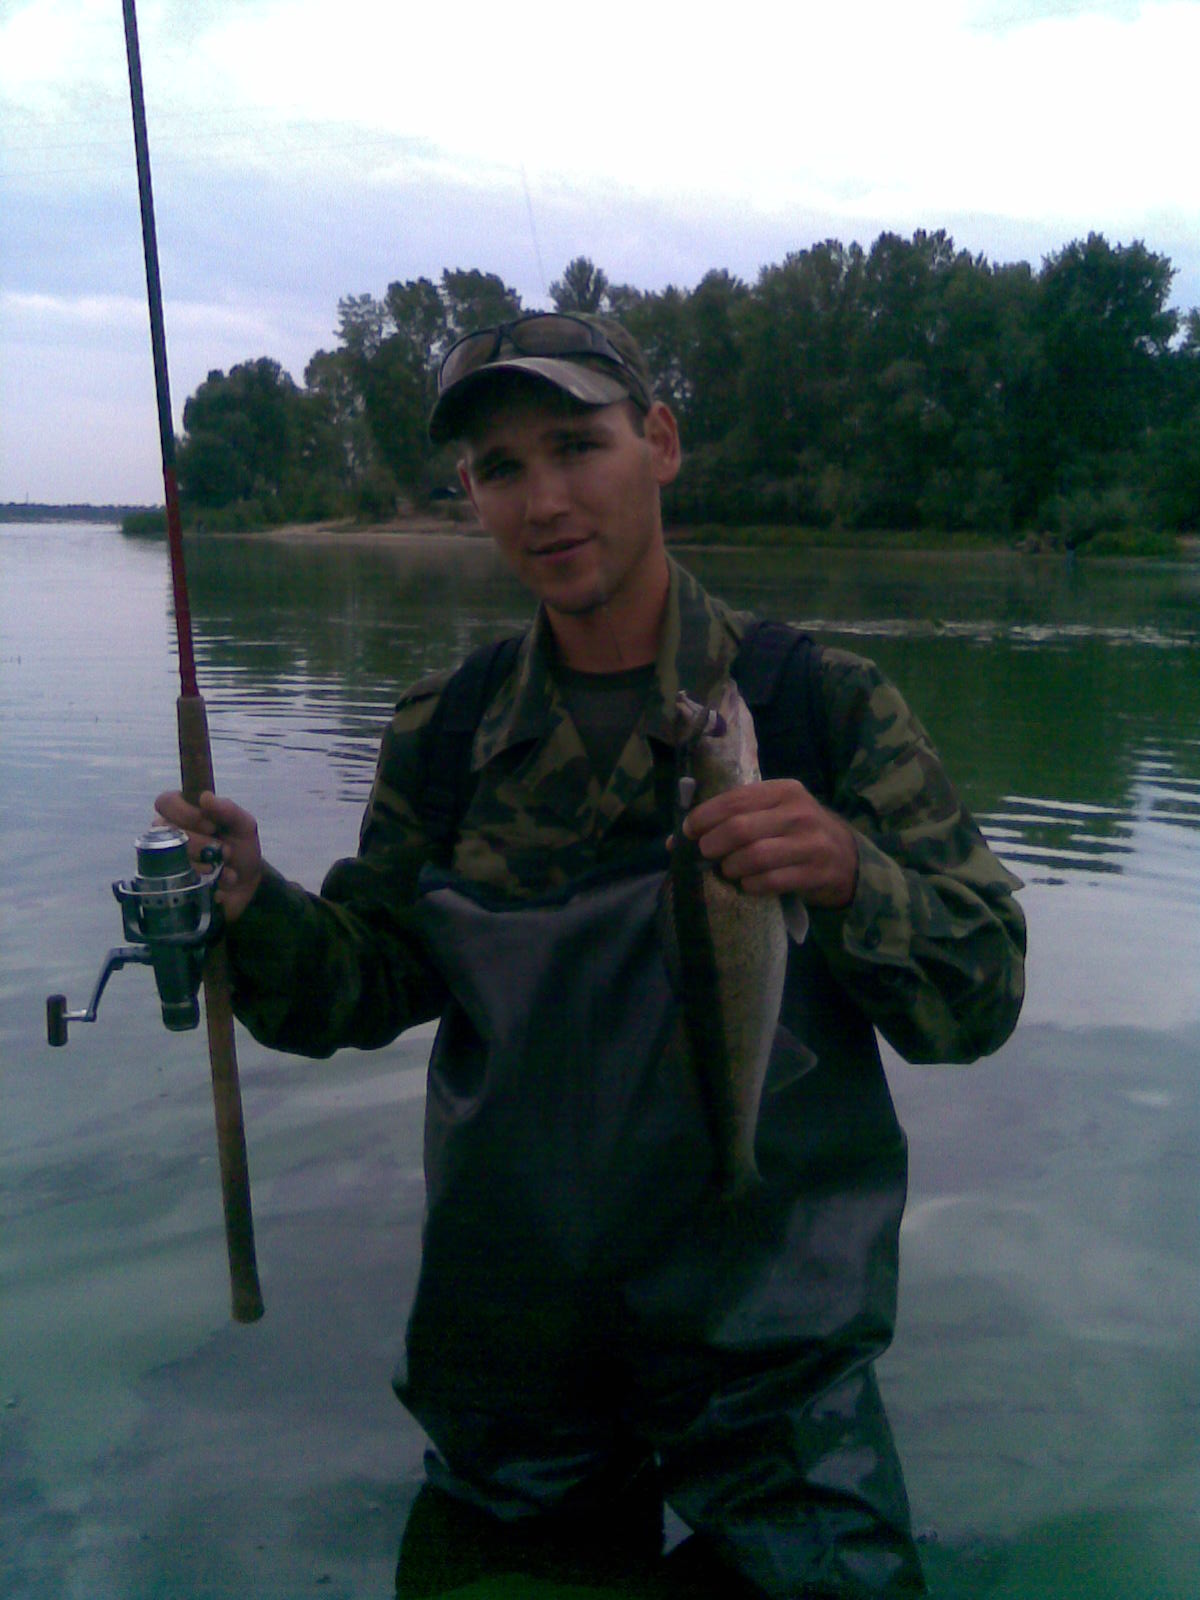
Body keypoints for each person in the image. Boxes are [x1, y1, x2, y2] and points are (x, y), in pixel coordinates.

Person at [157, 312, 1026, 1599]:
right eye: (500, 467)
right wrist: (254, 903)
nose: (544, 499)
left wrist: (854, 875)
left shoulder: (820, 705)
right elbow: (366, 981)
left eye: (577, 445)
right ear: (470, 494)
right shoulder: (445, 731)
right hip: (515, 1365)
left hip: (774, 1371)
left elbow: (981, 995)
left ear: (659, 442)